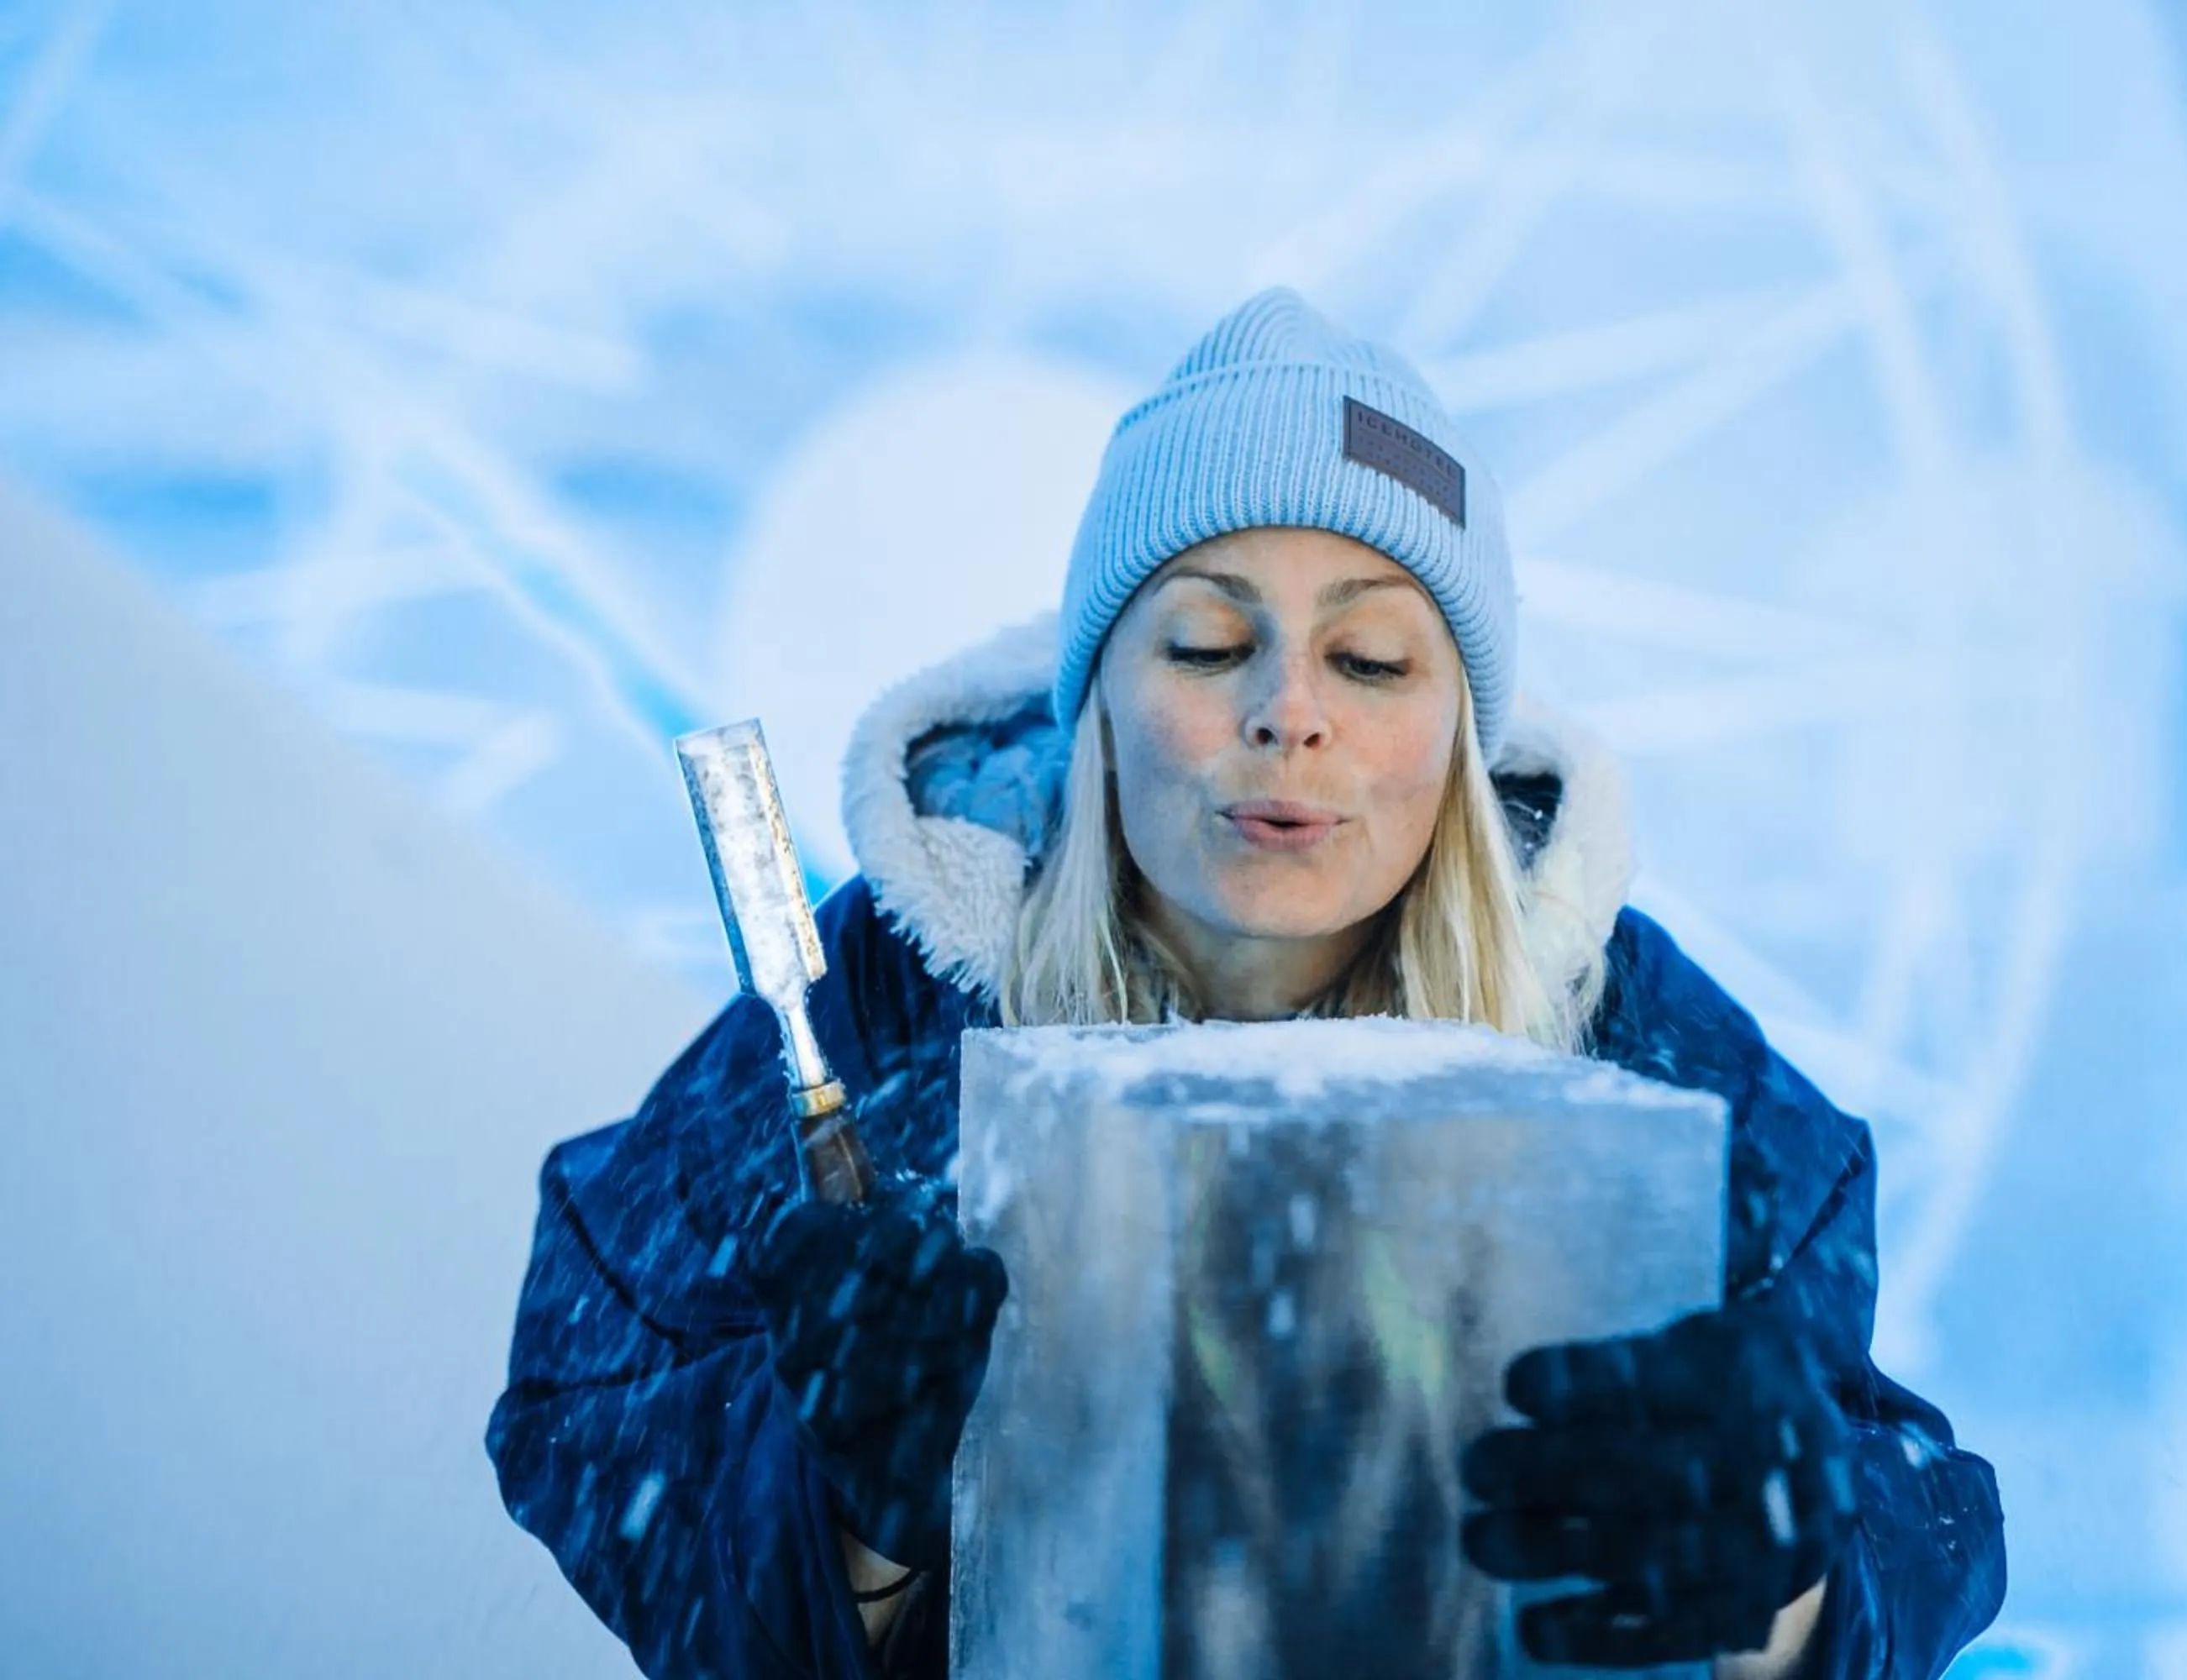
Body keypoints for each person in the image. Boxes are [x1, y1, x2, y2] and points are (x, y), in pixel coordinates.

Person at [486, 288, 2006, 1677]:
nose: (1288, 714)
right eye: (1210, 643)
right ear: (1097, 698)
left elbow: (1923, 1509)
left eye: (1374, 662)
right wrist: (838, 1510)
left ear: (1461, 738)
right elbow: (585, 1399)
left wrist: (1788, 1586)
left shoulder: (1637, 1052)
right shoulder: (882, 1017)